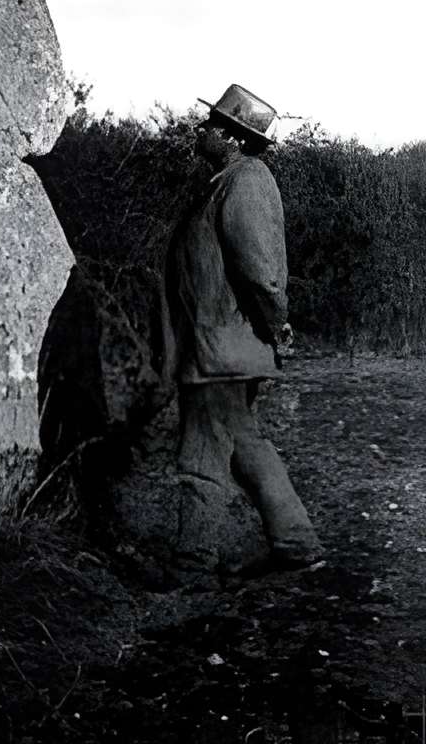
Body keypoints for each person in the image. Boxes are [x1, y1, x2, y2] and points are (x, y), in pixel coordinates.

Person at [158, 83, 323, 584]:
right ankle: (296, 542)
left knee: (202, 451)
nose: (202, 129)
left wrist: (278, 324)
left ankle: (193, 561)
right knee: (244, 442)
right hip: (219, 346)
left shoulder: (245, 181)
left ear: (231, 137)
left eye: (212, 125)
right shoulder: (228, 180)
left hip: (223, 347)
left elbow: (262, 269)